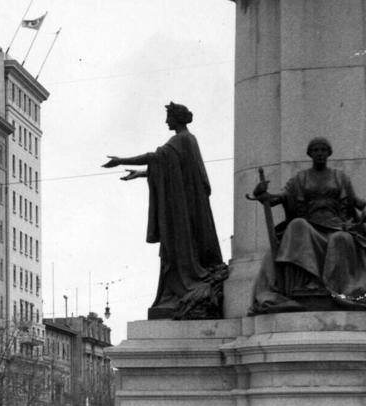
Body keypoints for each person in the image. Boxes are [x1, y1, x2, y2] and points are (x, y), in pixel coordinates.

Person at [103, 102, 226, 319]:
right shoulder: (187, 140)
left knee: (178, 249)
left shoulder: (181, 140)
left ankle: (181, 289)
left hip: (182, 212)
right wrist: (142, 174)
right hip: (186, 208)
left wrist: (121, 160)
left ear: (177, 118)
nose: (165, 121)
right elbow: (165, 166)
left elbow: (155, 158)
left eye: (168, 117)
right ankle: (176, 290)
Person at [251, 137, 366, 310]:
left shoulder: (340, 178)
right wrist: (262, 194)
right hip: (311, 226)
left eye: (323, 150)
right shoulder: (300, 178)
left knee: (341, 239)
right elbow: (279, 197)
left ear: (329, 153)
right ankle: (310, 281)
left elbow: (357, 202)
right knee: (297, 225)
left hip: (337, 226)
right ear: (310, 154)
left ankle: (339, 289)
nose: (320, 153)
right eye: (316, 150)